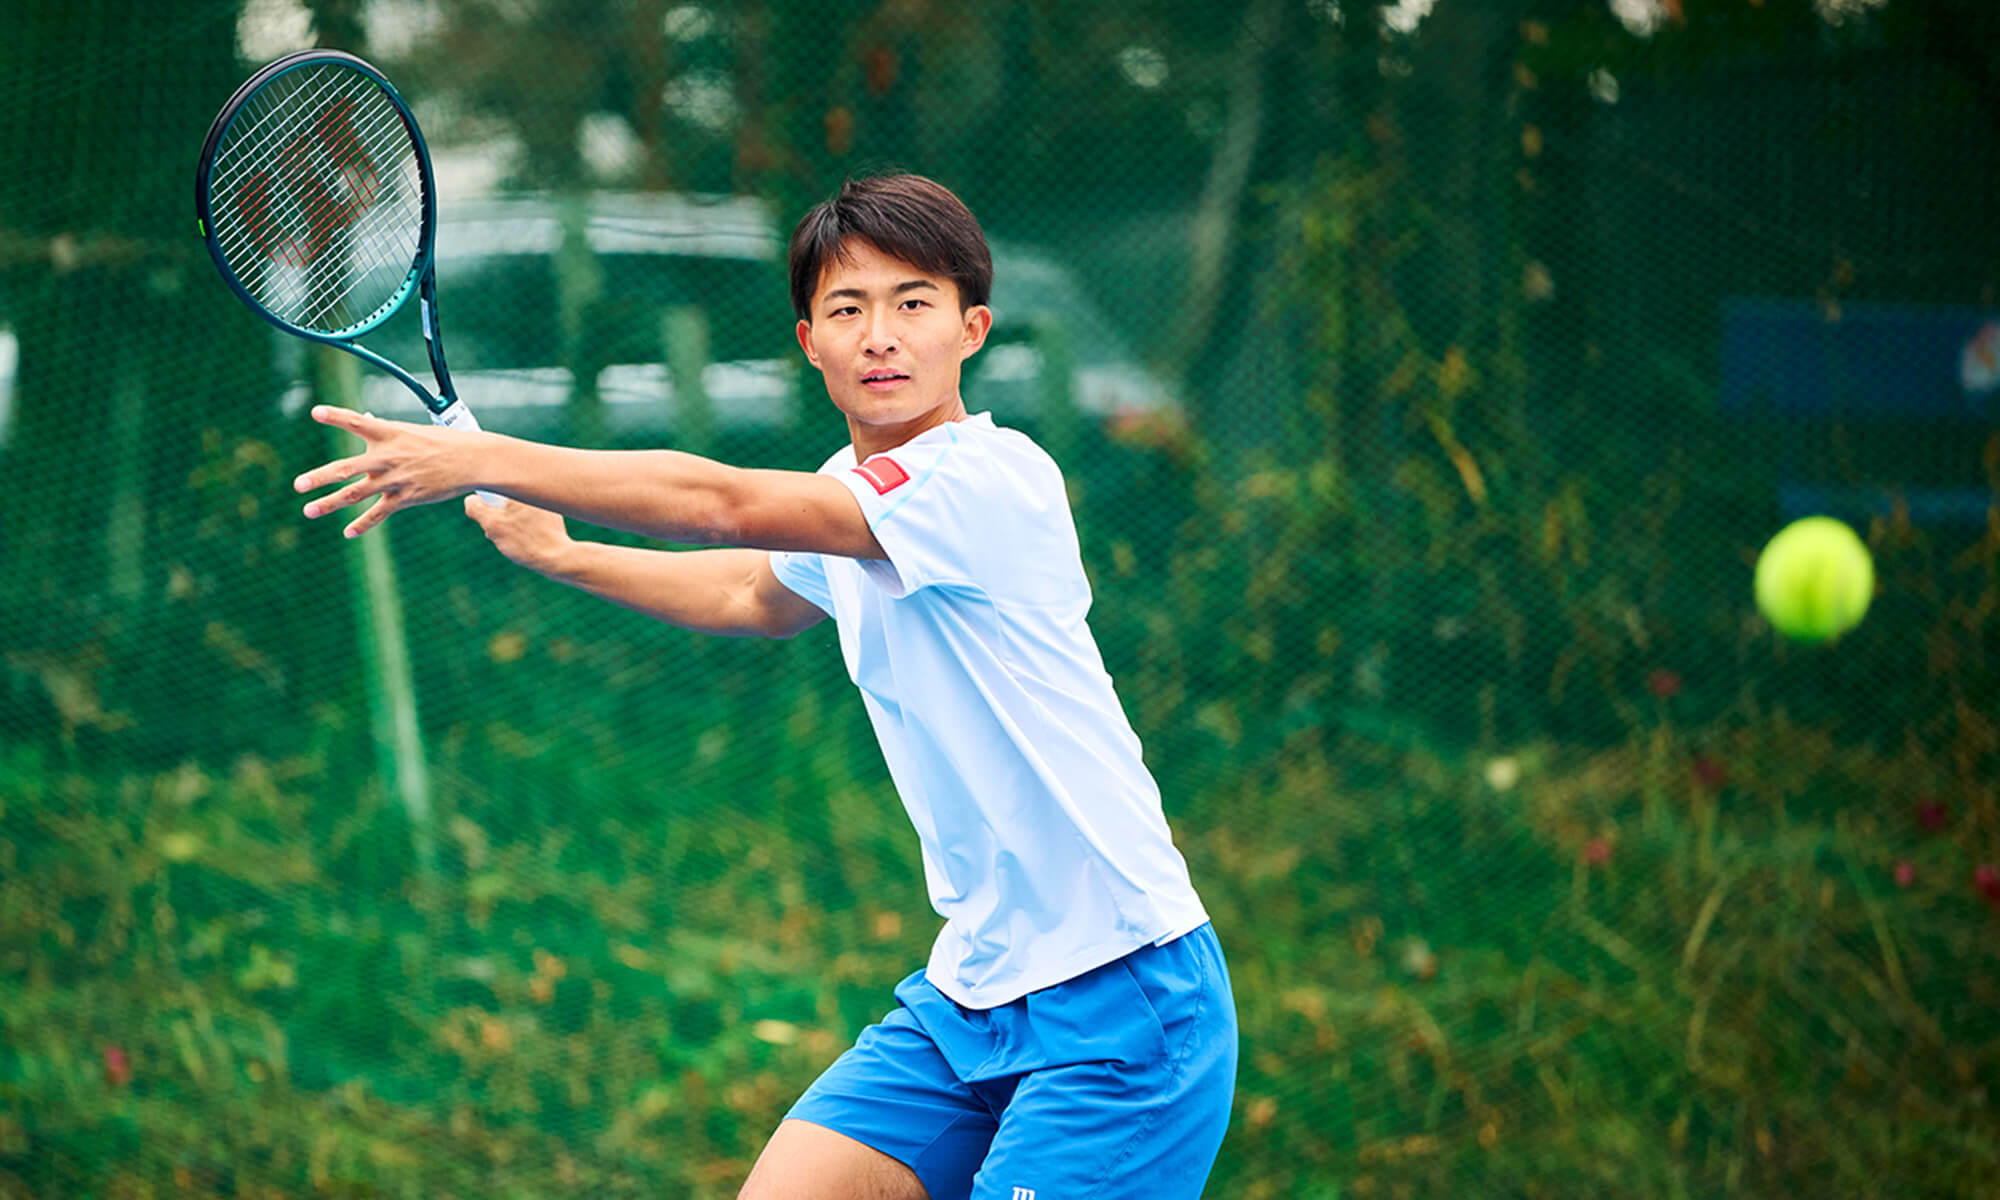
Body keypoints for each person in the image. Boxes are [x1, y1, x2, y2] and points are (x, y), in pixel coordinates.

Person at [291, 173, 1237, 1200]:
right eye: (846, 308)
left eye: (911, 303)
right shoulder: (851, 490)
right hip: (974, 991)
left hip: (1123, 1001)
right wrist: (570, 560)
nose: (879, 335)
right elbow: (754, 589)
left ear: (972, 329)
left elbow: (724, 505)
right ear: (808, 343)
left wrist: (488, 458)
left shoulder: (985, 481)